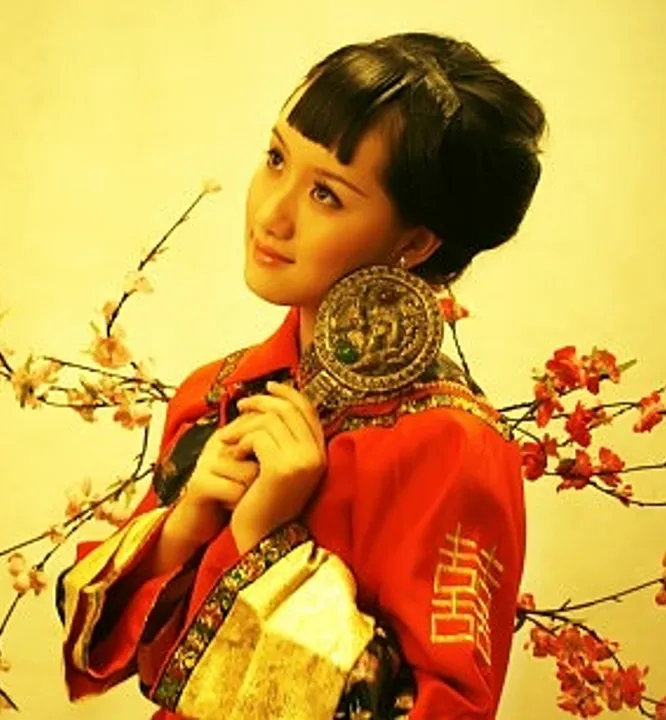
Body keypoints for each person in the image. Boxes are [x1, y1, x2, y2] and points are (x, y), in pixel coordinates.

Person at [56, 31, 546, 719]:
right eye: (275, 159)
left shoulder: (453, 449)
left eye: (325, 194)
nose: (271, 213)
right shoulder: (217, 393)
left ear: (414, 241)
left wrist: (267, 544)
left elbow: (440, 708)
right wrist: (185, 524)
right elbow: (112, 641)